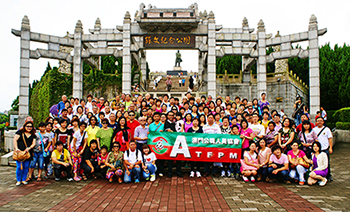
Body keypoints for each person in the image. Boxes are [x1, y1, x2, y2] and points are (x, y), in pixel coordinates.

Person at [13, 121, 36, 185]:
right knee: (19, 167)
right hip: (19, 152)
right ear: (24, 126)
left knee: (26, 166)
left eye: (31, 127)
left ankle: (23, 179)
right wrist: (16, 148)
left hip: (28, 153)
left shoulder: (33, 134)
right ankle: (18, 180)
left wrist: (29, 148)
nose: (29, 128)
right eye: (28, 126)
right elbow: (15, 139)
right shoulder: (20, 132)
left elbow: (33, 143)